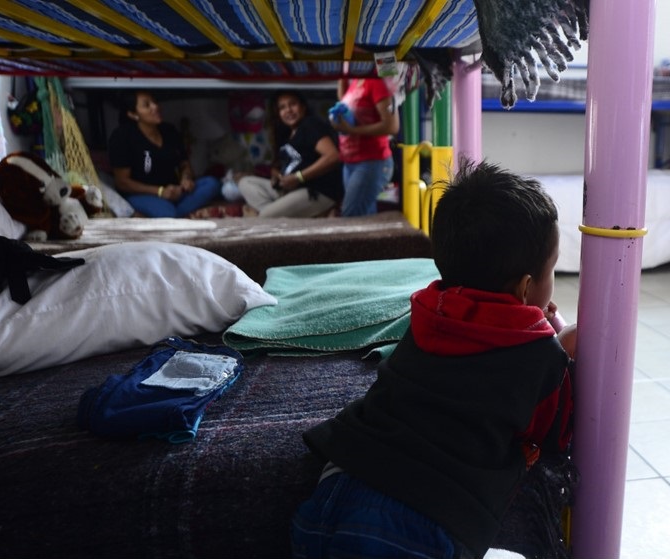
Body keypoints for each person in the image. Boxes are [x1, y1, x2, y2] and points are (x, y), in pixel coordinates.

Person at [290, 159, 578, 559]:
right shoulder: (542, 356)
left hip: (337, 480)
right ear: (527, 288)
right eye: (552, 270)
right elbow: (555, 435)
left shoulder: (428, 311)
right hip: (418, 523)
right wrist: (563, 353)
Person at [108, 90, 220, 218]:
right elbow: (122, 182)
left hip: (175, 192)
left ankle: (174, 213)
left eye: (154, 102)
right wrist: (160, 191)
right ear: (133, 114)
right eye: (147, 105)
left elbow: (184, 164)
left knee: (212, 183)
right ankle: (173, 213)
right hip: (142, 194)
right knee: (167, 212)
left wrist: (186, 179)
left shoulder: (169, 131)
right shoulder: (122, 137)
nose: (155, 107)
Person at [237, 89, 343, 217]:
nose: (288, 110)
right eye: (282, 107)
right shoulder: (286, 135)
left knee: (266, 216)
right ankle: (278, 214)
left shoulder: (310, 125)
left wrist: (299, 177)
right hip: (289, 189)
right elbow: (280, 165)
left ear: (303, 107)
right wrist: (277, 175)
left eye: (293, 104)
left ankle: (269, 215)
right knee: (245, 183)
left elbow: (333, 156)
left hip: (316, 192)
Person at [330, 77, 399, 216]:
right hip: (351, 162)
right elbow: (347, 104)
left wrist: (351, 130)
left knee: (351, 216)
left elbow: (392, 126)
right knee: (364, 216)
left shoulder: (376, 82)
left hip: (371, 161)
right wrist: (342, 79)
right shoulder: (356, 80)